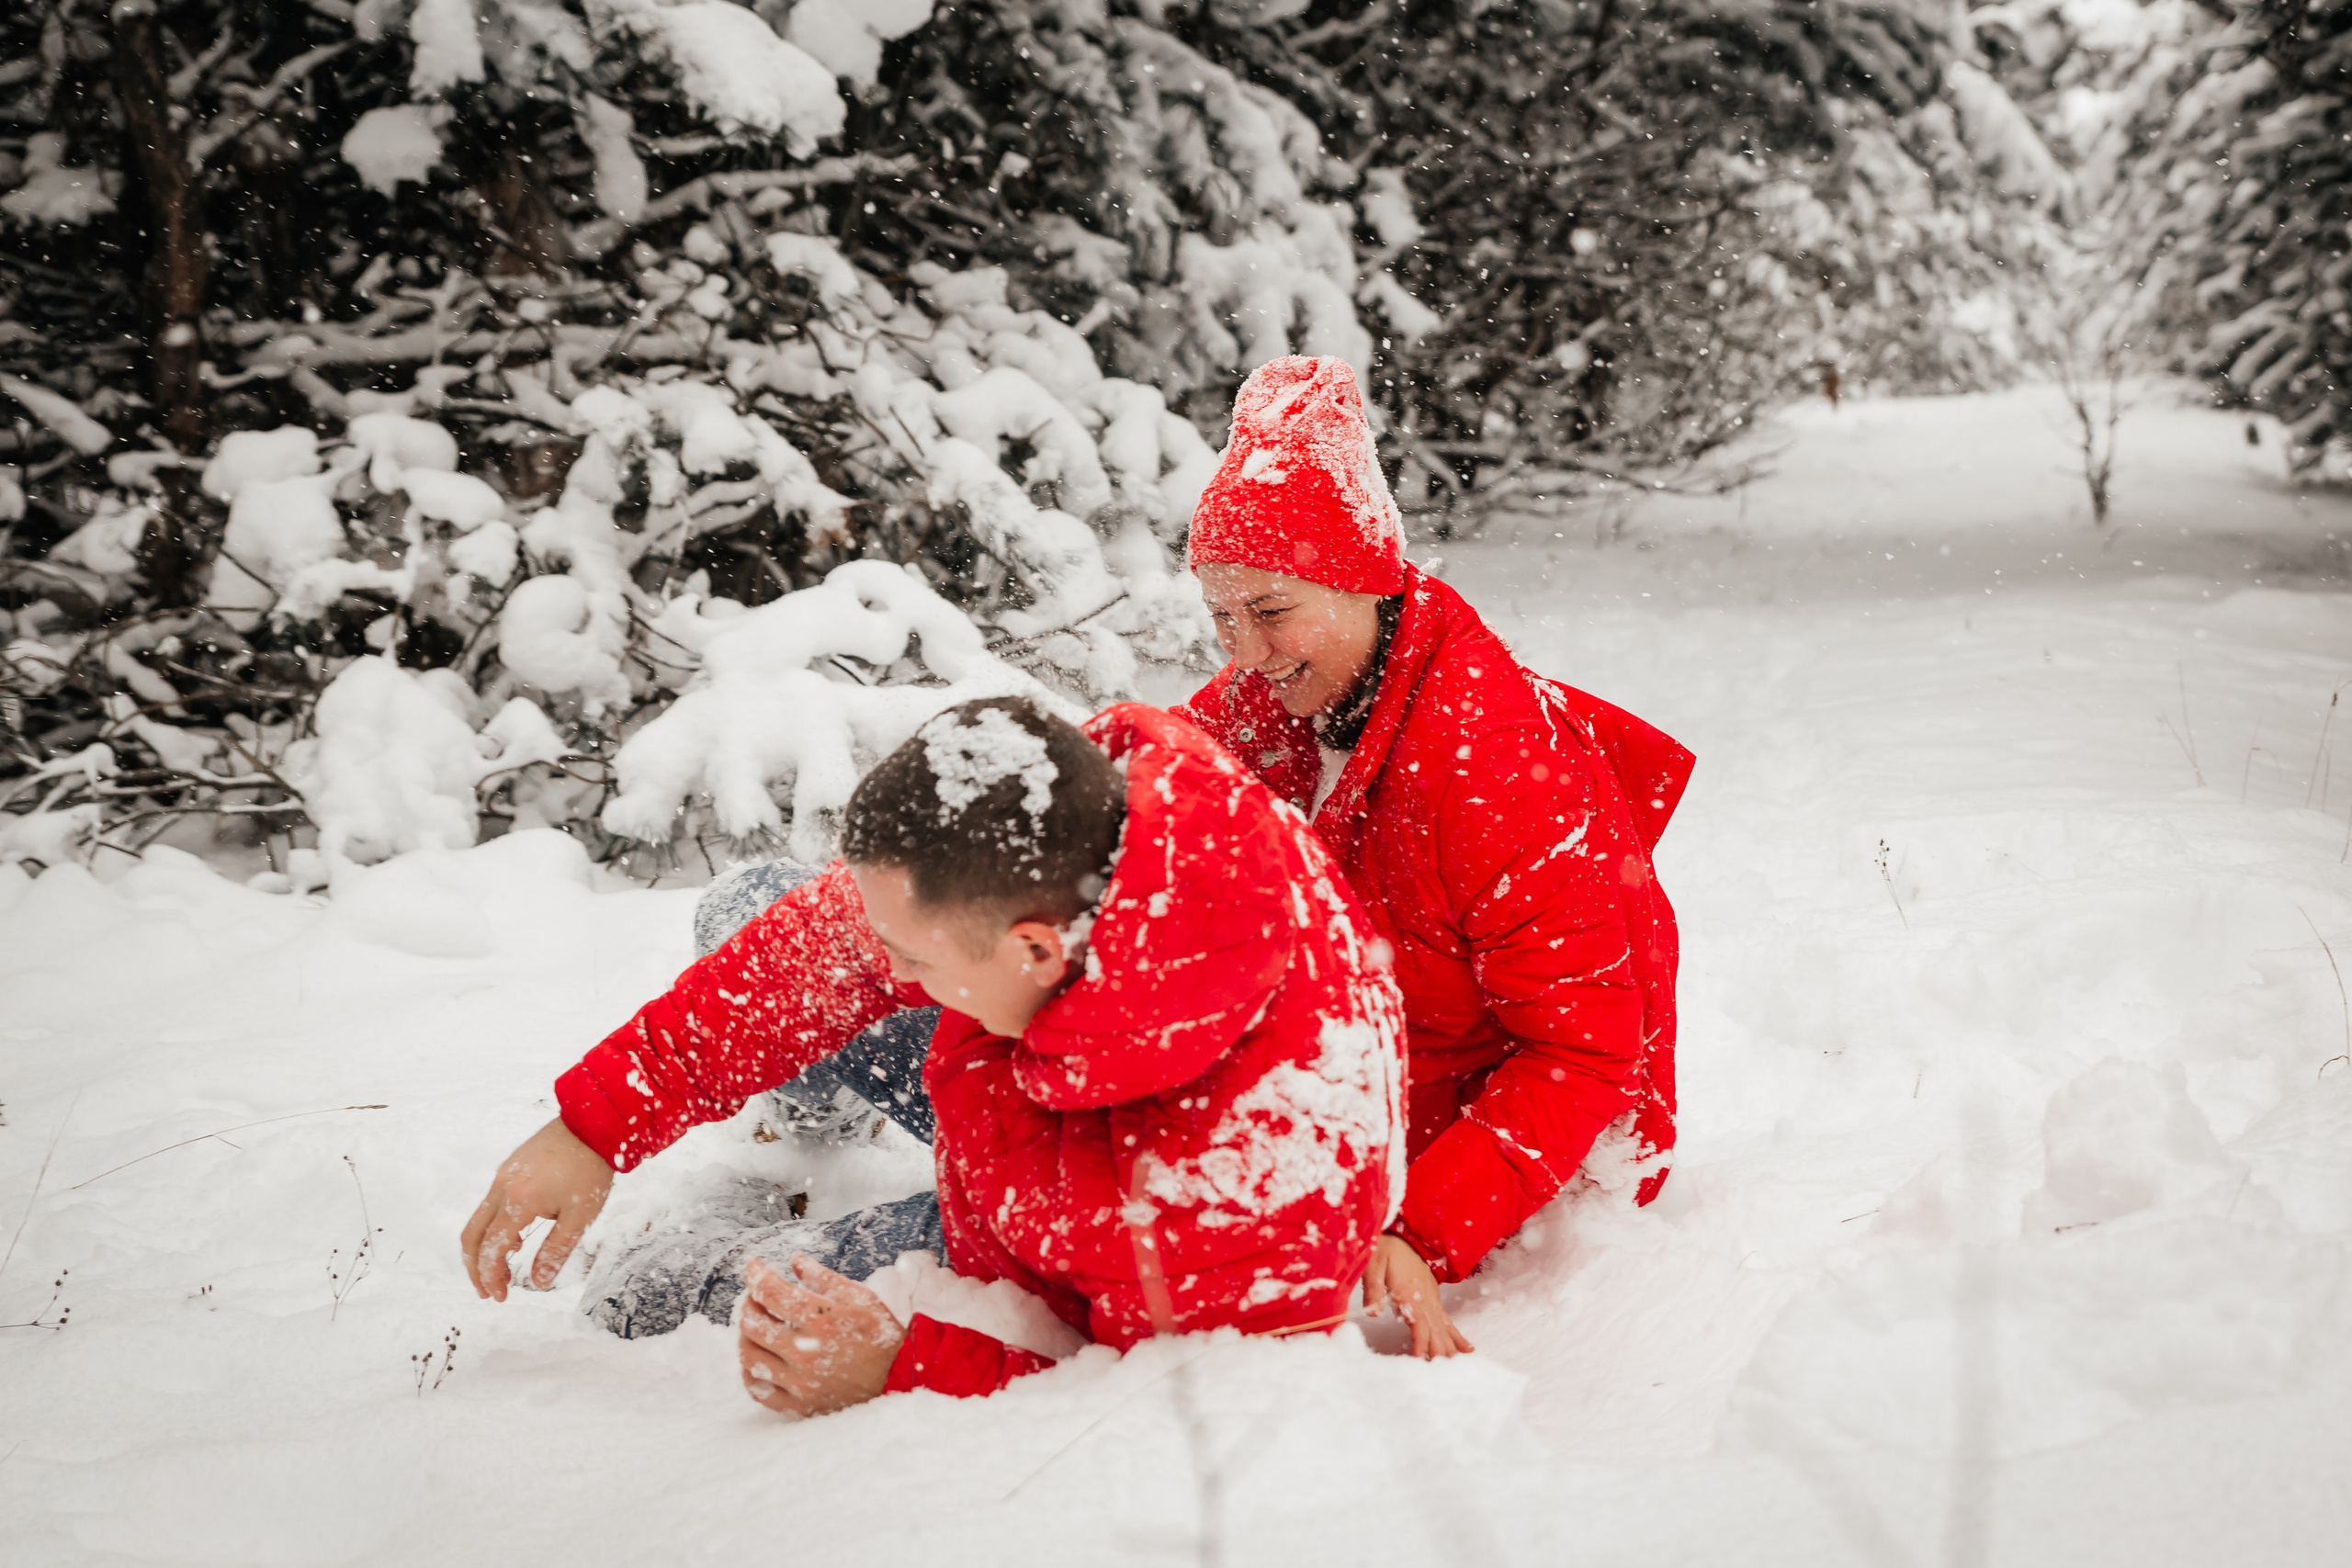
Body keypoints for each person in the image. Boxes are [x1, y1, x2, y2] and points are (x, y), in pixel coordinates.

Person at [459, 695, 1405, 1412]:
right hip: (1033, 1069)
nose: (883, 966)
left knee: (637, 1299)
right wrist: (592, 1125)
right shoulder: (1091, 829)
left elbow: (1156, 1410)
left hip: (1078, 1201)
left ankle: (728, 1238)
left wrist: (898, 1368)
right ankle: (806, 1129)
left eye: (907, 958)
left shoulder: (1233, 1200)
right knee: (748, 912)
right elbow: (833, 951)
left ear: (1035, 947)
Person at [1175, 355, 1694, 1359]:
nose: (1242, 654)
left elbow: (1586, 1056)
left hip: (1490, 1147)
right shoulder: (1275, 701)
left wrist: (1418, 1230)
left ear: (1362, 583)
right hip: (1340, 1081)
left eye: (1271, 612)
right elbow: (1138, 802)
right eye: (1221, 618)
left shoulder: (1491, 767)